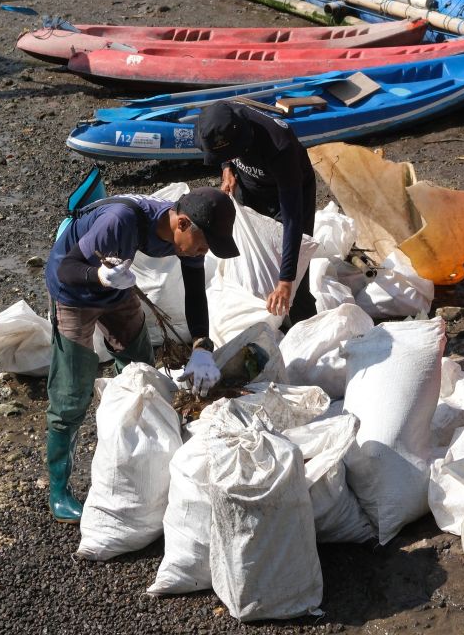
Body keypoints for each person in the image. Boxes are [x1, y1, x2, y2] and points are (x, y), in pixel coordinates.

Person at [44, 187, 239, 523]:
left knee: (141, 371)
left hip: (116, 289)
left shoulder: (188, 232)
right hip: (74, 290)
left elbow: (195, 292)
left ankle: (139, 458)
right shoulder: (120, 221)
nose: (204, 252)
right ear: (182, 224)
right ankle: (58, 491)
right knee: (71, 393)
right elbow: (65, 268)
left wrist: (202, 346)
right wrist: (99, 275)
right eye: (204, 244)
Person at [195, 101, 317, 324]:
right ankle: (267, 321)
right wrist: (227, 169)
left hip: (288, 197)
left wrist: (287, 279)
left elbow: (293, 219)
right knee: (252, 266)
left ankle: (305, 327)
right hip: (250, 188)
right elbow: (222, 151)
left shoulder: (280, 145)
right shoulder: (222, 122)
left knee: (296, 281)